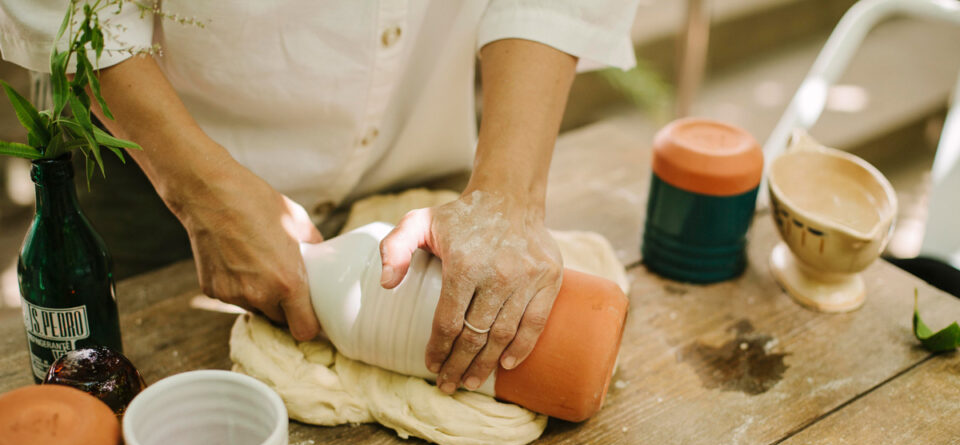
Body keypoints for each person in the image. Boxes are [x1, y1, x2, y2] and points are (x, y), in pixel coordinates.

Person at [0, 1, 640, 393]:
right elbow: (67, 10)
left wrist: (507, 194)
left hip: (414, 146)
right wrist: (200, 192)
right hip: (154, 153)